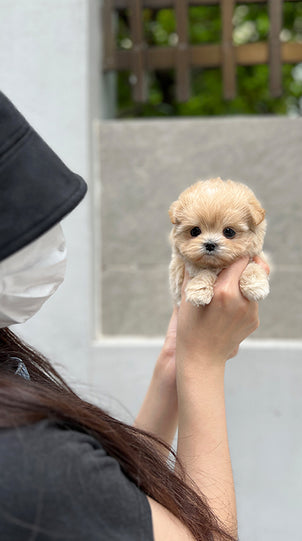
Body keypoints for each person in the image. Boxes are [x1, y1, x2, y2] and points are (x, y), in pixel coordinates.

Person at [0, 91, 269, 541]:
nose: (51, 239)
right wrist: (202, 363)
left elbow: (114, 503)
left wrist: (173, 363)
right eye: (23, 227)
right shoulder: (32, 462)